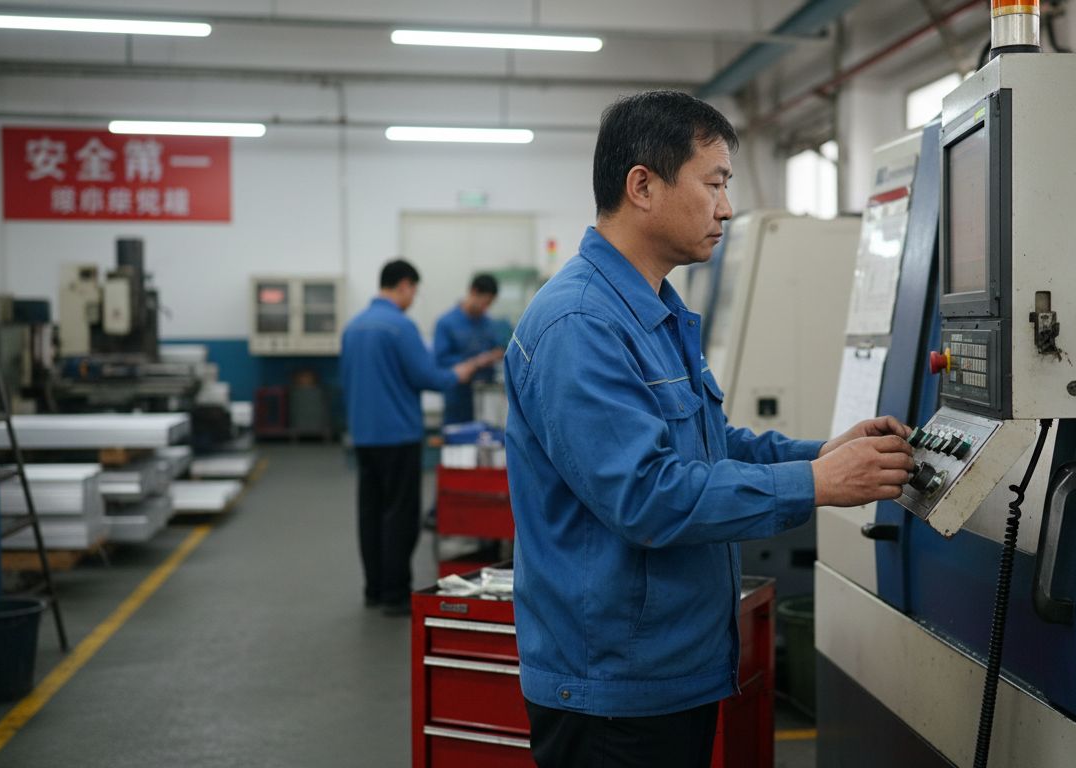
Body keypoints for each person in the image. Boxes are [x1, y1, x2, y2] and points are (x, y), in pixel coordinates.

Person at [503, 90, 916, 767]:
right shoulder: (580, 323)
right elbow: (647, 496)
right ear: (643, 185)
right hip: (613, 689)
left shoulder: (652, 309)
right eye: (715, 183)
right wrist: (813, 483)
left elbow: (706, 445)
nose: (726, 206)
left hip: (663, 669)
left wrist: (826, 453)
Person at [341, 259, 502, 616]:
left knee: (370, 512)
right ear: (403, 285)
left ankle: (374, 588)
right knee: (399, 515)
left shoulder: (352, 328)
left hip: (363, 436)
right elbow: (428, 376)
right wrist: (462, 371)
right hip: (398, 435)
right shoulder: (400, 328)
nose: (413, 298)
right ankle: (395, 595)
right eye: (413, 291)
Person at [433, 273, 505, 425]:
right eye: (484, 303)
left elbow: (496, 347)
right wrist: (475, 362)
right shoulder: (446, 323)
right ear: (473, 292)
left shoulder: (487, 323)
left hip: (485, 397)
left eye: (489, 304)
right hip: (457, 398)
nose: (486, 308)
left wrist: (496, 354)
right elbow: (440, 360)